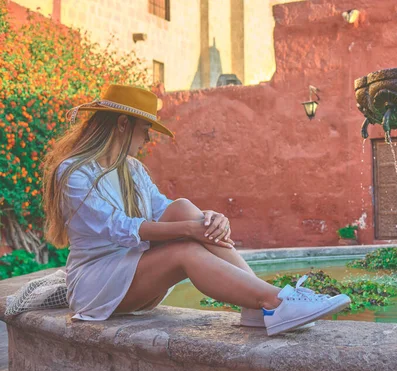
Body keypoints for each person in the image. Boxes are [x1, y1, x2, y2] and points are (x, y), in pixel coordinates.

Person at [41, 84, 350, 335]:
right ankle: (272, 300)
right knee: (185, 251)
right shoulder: (74, 172)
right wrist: (189, 230)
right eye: (145, 129)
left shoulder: (131, 170)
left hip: (132, 272)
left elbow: (166, 209)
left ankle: (261, 307)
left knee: (185, 208)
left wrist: (210, 218)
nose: (147, 138)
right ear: (123, 124)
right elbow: (119, 227)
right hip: (95, 284)